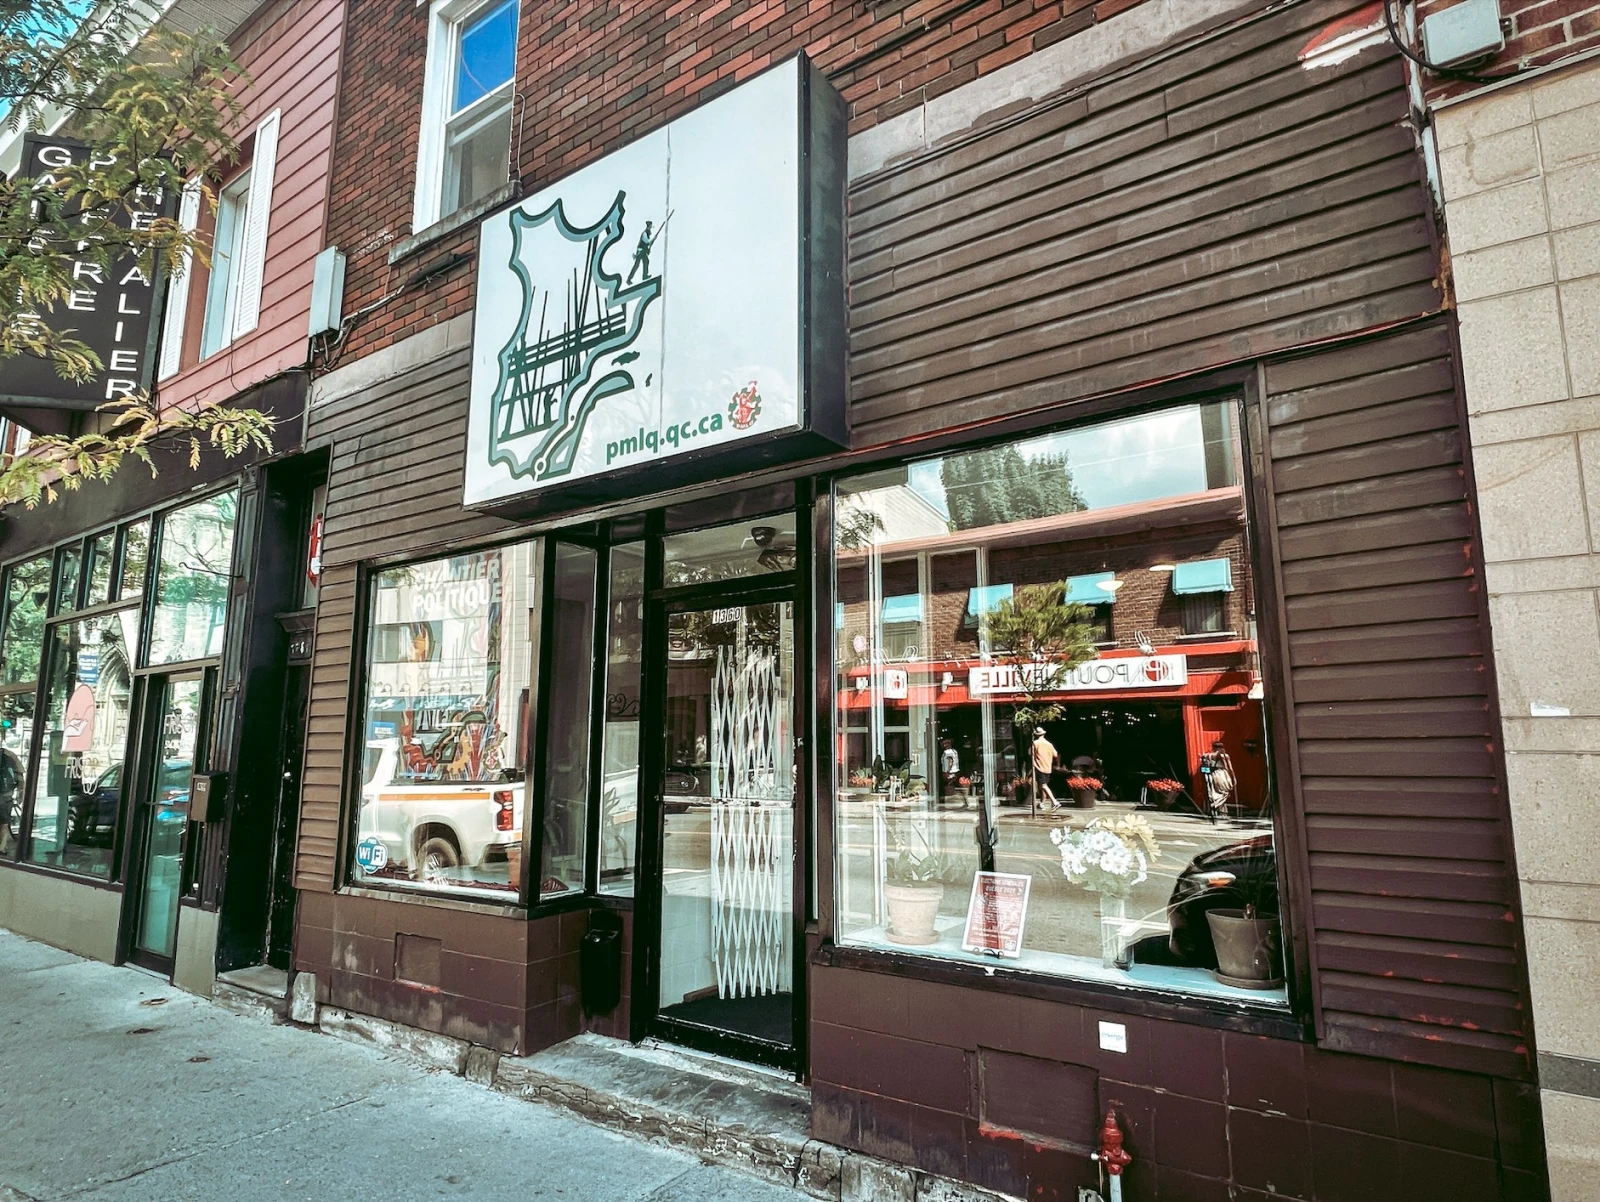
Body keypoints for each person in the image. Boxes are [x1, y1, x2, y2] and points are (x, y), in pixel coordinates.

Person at [1031, 727, 1060, 813]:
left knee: (1043, 785)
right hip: (1048, 767)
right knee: (1043, 785)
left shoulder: (1035, 743)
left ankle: (1055, 802)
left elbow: (1030, 754)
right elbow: (1056, 754)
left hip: (1039, 767)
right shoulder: (1049, 744)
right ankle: (1042, 803)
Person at [940, 738, 961, 806]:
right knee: (952, 785)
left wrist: (947, 771)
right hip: (955, 771)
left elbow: (950, 761)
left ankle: (950, 799)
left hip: (950, 772)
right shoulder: (954, 751)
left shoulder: (948, 752)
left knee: (949, 786)